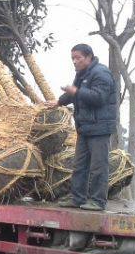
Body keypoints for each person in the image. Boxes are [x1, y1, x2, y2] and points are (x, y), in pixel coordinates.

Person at [44, 43, 117, 211]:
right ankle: (77, 198)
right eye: (73, 58)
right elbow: (74, 93)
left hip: (99, 128)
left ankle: (97, 201)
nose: (75, 62)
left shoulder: (101, 73)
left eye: (78, 58)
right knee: (79, 165)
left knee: (98, 166)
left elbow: (99, 97)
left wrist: (76, 91)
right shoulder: (82, 74)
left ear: (89, 57)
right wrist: (59, 101)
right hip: (85, 128)